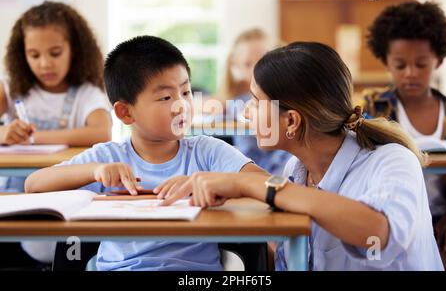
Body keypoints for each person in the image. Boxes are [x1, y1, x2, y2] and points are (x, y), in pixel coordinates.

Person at [160, 41, 444, 270]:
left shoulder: (392, 161)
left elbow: (378, 234)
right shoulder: (295, 170)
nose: (246, 112)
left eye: (256, 103)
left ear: (292, 122)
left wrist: (251, 184)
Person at [25, 35, 266, 271]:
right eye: (165, 97)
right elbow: (33, 185)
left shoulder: (207, 151)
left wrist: (211, 183)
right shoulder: (108, 158)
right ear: (125, 113)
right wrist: (94, 171)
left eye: (185, 92)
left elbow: (266, 184)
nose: (181, 105)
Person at [0, 0, 112, 270]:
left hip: (64, 202)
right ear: (21, 54)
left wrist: (33, 138)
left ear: (75, 50)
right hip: (11, 202)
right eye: (34, 55)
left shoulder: (87, 93)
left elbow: (101, 131)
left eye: (55, 52)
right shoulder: (9, 87)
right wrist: (3, 132)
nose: (45, 64)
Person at [362, 0, 446, 269]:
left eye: (421, 64)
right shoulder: (373, 108)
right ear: (386, 61)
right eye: (400, 65)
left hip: (441, 215)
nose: (411, 73)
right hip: (392, 215)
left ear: (438, 59)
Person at [221, 28, 291, 174]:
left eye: (263, 61)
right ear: (235, 68)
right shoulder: (234, 102)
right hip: (251, 173)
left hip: (285, 172)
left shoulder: (290, 98)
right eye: (247, 64)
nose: (256, 69)